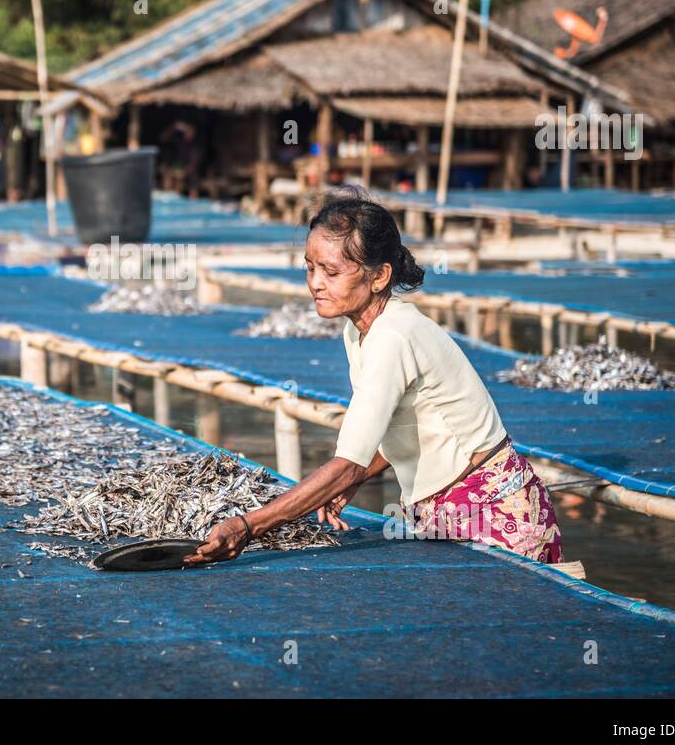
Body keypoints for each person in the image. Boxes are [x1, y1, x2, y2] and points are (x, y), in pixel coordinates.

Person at [186, 187, 563, 566]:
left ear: (380, 276)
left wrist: (248, 526)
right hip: (443, 516)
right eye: (310, 267)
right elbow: (398, 430)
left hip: (497, 518)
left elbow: (348, 462)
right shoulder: (360, 330)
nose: (316, 282)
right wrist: (351, 480)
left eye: (331, 271)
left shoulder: (393, 335)